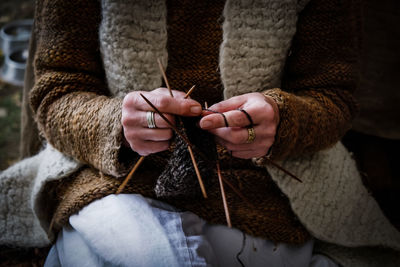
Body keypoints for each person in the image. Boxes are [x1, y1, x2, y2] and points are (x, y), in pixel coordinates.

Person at [1, 0, 400, 266]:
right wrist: (113, 122)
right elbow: (56, 93)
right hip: (113, 182)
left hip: (266, 194)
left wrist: (286, 119)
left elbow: (333, 97)